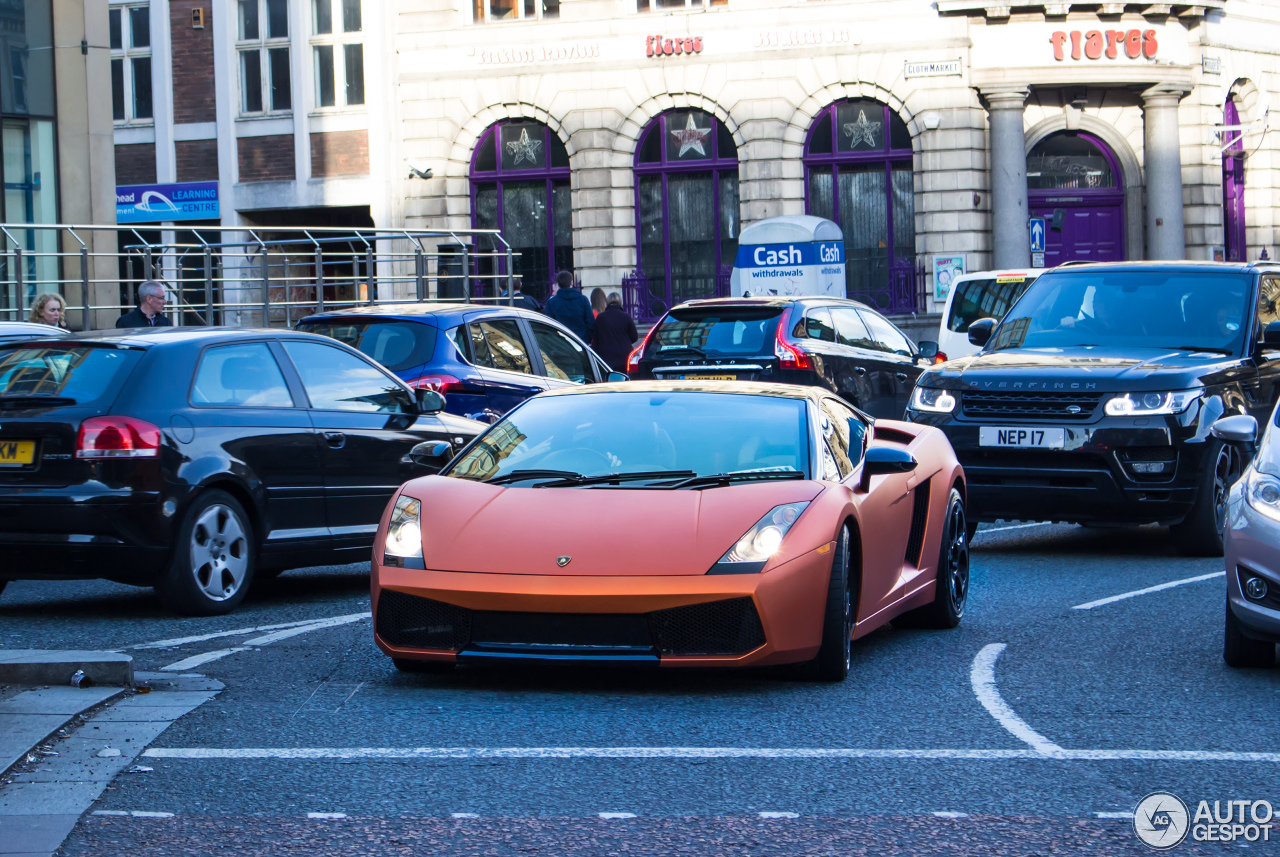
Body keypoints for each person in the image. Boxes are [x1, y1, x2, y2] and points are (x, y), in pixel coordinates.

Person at [592, 292, 638, 374]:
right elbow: (634, 337)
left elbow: (595, 338)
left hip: (604, 358)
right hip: (624, 357)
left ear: (607, 302)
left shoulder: (600, 318)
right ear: (620, 302)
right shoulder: (626, 317)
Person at [543, 271, 594, 342]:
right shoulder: (583, 300)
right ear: (571, 283)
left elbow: (549, 327)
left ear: (558, 284)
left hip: (560, 343)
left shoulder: (551, 302)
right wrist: (585, 339)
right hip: (581, 340)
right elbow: (590, 323)